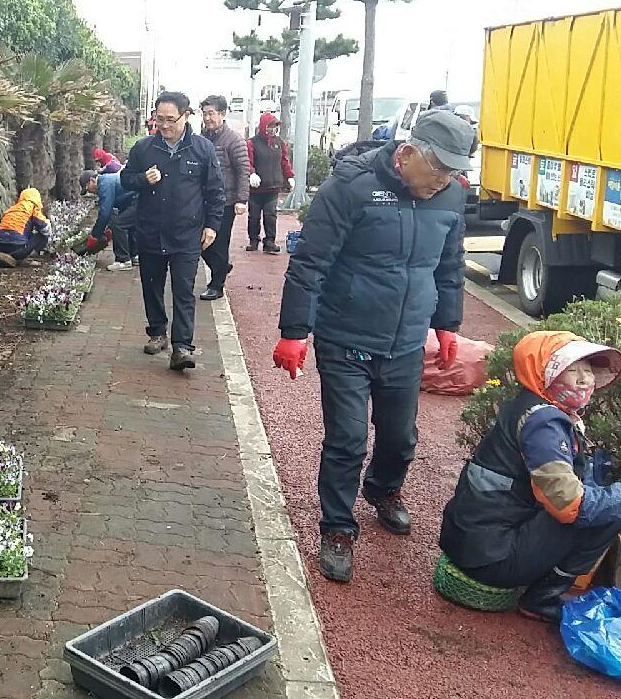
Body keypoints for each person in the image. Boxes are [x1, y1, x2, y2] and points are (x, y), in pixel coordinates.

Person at [273, 110, 476, 582]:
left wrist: (447, 325)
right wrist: (293, 332)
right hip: (346, 336)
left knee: (400, 436)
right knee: (346, 439)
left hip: (405, 340)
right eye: (439, 170)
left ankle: (383, 489)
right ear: (407, 154)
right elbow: (311, 264)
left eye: (453, 173)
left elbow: (450, 265)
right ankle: (338, 527)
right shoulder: (352, 187)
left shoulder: (449, 197)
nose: (444, 181)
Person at [440, 331, 621, 622]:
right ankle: (542, 598)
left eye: (588, 370)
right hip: (488, 558)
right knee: (601, 510)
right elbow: (571, 503)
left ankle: (543, 593)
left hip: (475, 543)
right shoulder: (543, 423)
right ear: (546, 376)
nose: (585, 379)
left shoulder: (533, 408)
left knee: (615, 508)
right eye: (571, 370)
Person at [120, 91, 225, 371]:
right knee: (152, 286)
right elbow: (125, 179)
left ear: (186, 116)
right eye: (159, 119)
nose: (164, 125)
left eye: (170, 119)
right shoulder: (144, 149)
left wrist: (212, 226)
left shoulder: (202, 149)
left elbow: (215, 192)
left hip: (187, 234)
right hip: (150, 231)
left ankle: (182, 347)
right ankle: (157, 332)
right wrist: (143, 178)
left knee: (184, 290)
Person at [197, 95, 251, 301]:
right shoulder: (202, 138)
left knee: (218, 243)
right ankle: (222, 267)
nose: (208, 118)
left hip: (226, 201)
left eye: (211, 113)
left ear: (222, 114)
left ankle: (216, 285)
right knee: (199, 241)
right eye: (205, 114)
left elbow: (243, 171)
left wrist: (241, 200)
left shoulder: (233, 140)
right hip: (203, 200)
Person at [246, 112, 294, 254]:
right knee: (254, 216)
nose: (272, 129)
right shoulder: (252, 143)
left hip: (273, 188)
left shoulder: (280, 143)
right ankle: (254, 240)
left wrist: (289, 176)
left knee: (270, 215)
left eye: (275, 126)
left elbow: (284, 161)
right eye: (270, 126)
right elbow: (248, 162)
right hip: (256, 189)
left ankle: (270, 242)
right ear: (263, 126)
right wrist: (252, 173)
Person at [77, 169, 139, 270]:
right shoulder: (106, 180)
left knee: (118, 224)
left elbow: (105, 213)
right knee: (128, 225)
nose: (89, 191)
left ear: (92, 180)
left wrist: (95, 235)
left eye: (88, 188)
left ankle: (123, 260)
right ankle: (134, 255)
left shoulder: (104, 184)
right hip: (135, 200)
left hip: (137, 201)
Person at [0, 188, 50, 268]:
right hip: (17, 251)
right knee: (43, 236)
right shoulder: (34, 209)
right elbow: (46, 229)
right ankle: (23, 258)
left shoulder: (12, 209)